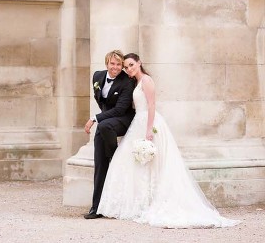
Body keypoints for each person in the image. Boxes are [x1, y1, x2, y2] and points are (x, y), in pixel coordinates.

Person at [97, 53, 239, 228]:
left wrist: (149, 130)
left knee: (153, 163)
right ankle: (138, 203)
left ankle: (151, 202)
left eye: (131, 65)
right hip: (138, 123)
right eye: (126, 67)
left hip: (148, 123)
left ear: (139, 63)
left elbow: (151, 105)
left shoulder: (147, 80)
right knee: (133, 162)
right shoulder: (135, 82)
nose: (128, 69)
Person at [84, 49, 136, 219]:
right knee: (100, 164)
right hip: (106, 122)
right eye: (112, 64)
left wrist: (95, 118)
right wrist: (101, 118)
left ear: (122, 66)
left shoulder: (127, 81)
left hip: (123, 119)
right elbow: (100, 100)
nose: (115, 67)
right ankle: (96, 207)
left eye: (119, 64)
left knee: (103, 126)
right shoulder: (97, 76)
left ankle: (114, 154)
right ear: (107, 63)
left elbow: (121, 109)